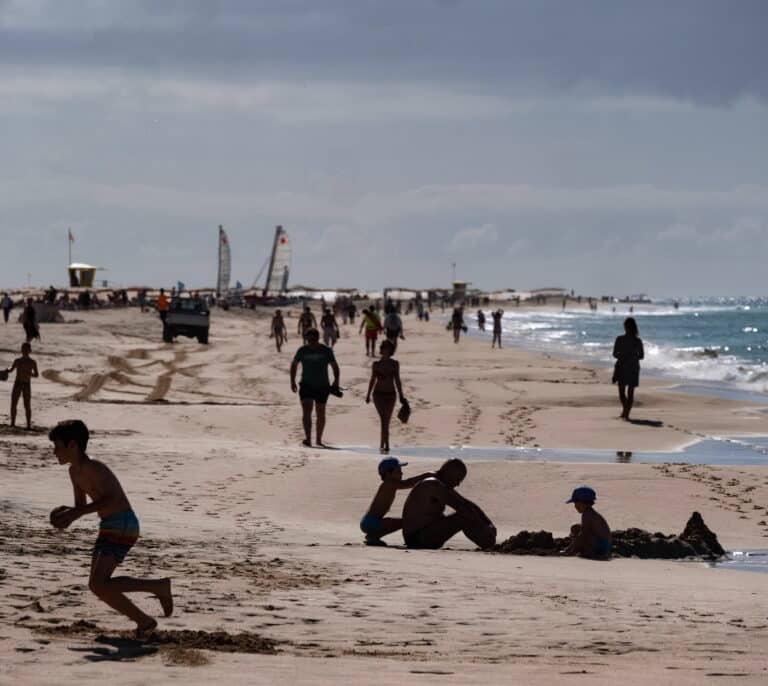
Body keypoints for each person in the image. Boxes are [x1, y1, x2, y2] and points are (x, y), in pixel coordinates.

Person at [48, 419, 173, 634]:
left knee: (99, 584)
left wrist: (76, 513)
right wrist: (67, 515)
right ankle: (144, 620)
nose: (54, 452)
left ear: (73, 445)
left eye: (57, 446)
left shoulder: (94, 467)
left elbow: (112, 499)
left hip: (123, 523)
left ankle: (157, 587)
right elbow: (81, 506)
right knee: (97, 585)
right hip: (109, 525)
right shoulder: (74, 472)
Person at [401, 458, 496, 550]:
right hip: (417, 539)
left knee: (467, 513)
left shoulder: (441, 482)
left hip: (425, 534)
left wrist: (488, 523)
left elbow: (466, 503)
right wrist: (483, 526)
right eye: (458, 479)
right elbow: (461, 507)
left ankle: (489, 542)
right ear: (448, 474)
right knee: (463, 517)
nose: (458, 484)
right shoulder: (433, 484)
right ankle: (489, 545)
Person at [360, 457, 434, 546]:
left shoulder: (390, 484)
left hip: (370, 521)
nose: (402, 473)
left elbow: (407, 483)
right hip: (371, 522)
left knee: (401, 522)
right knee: (405, 522)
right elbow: (407, 483)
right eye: (398, 471)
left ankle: (373, 536)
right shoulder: (389, 483)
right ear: (388, 473)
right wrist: (425, 476)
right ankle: (374, 536)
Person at [290, 328, 340, 447]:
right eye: (309, 339)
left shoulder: (326, 350)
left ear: (318, 338)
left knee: (320, 413)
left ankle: (318, 439)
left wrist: (336, 381)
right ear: (307, 339)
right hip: (306, 385)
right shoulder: (302, 350)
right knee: (306, 412)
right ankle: (308, 438)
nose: (311, 341)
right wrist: (292, 381)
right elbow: (294, 365)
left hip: (322, 386)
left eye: (314, 339)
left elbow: (335, 366)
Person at [366, 339, 406, 454]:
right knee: (383, 419)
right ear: (381, 350)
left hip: (391, 395)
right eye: (384, 348)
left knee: (386, 420)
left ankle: (383, 444)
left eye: (388, 348)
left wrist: (401, 395)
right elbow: (372, 380)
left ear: (391, 350)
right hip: (378, 395)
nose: (385, 350)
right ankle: (385, 444)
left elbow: (397, 380)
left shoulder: (395, 364)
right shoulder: (376, 364)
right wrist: (368, 394)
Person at [562, 486, 612, 560]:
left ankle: (588, 552)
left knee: (583, 535)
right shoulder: (590, 512)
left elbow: (583, 535)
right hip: (604, 545)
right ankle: (583, 551)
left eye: (576, 503)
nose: (575, 506)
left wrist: (569, 549)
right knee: (576, 528)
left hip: (602, 547)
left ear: (584, 502)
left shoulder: (587, 514)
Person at [612, 317, 644, 420]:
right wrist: (633, 356)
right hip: (633, 367)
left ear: (625, 327)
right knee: (630, 392)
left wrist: (623, 356)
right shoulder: (637, 341)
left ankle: (625, 412)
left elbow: (614, 354)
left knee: (622, 392)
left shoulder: (619, 339)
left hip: (622, 366)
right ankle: (626, 413)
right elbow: (642, 356)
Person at [8, 342, 38, 429]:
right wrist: (5, 371)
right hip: (17, 383)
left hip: (26, 384)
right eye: (23, 349)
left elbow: (36, 374)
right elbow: (11, 370)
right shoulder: (17, 361)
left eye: (26, 349)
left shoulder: (32, 362)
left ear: (30, 351)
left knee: (27, 405)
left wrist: (30, 374)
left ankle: (28, 425)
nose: (24, 351)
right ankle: (12, 423)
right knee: (14, 403)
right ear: (21, 350)